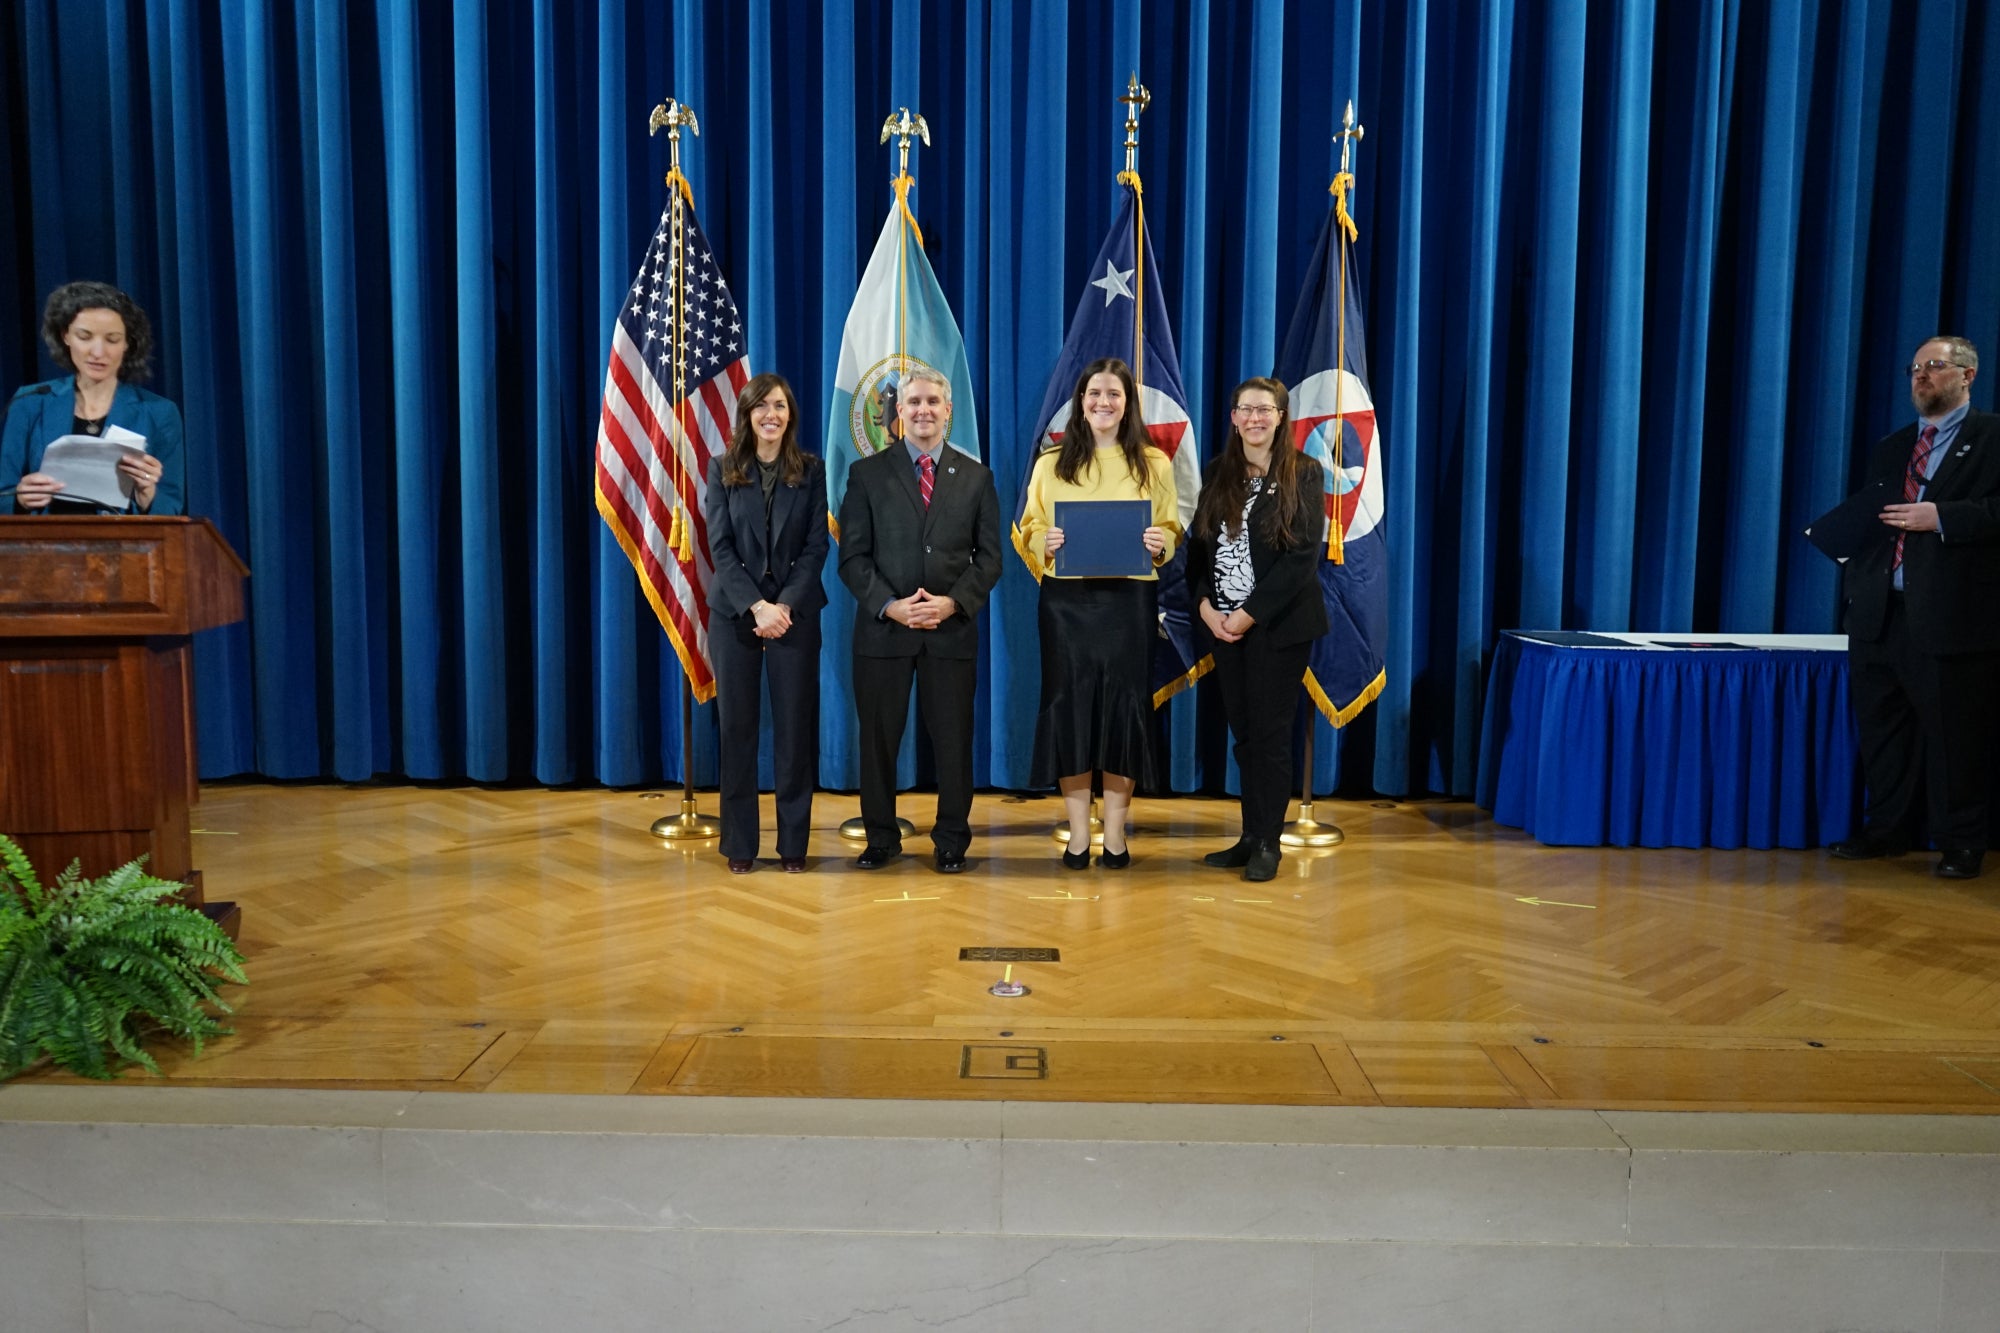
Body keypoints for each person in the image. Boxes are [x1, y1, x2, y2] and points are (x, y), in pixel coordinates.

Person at [1829, 336, 2000, 880]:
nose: (1921, 376)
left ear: (1967, 376)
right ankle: (1887, 831)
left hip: (1950, 615)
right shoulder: (1893, 444)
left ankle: (1961, 842)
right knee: (1884, 730)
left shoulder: (1993, 437)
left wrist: (1943, 517)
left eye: (1935, 366)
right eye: (1916, 368)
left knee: (1954, 737)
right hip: (1879, 611)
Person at [837, 365, 1003, 873]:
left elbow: (991, 559)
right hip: (885, 632)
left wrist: (952, 603)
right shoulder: (867, 474)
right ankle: (881, 838)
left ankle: (952, 839)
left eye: (933, 402)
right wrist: (891, 604)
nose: (924, 410)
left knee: (953, 743)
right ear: (898, 413)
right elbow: (852, 558)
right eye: (914, 403)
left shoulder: (976, 477)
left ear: (948, 411)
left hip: (950, 634)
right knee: (878, 743)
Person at [1016, 358, 1180, 868]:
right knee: (1070, 708)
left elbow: (1172, 529)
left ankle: (1115, 835)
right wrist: (1046, 539)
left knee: (1123, 711)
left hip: (1129, 604)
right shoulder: (1051, 463)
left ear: (1128, 403)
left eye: (1113, 394)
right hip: (1067, 605)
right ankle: (1078, 835)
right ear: (1080, 402)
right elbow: (1027, 527)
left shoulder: (1155, 464)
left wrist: (1161, 543)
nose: (1103, 402)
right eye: (1093, 394)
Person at [1185, 377, 1328, 882]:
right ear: (1233, 417)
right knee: (1244, 735)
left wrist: (1247, 615)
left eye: (1264, 410)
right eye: (1245, 409)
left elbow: (1301, 560)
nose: (1254, 419)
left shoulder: (1304, 474)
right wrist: (1205, 608)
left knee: (1269, 737)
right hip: (1222, 626)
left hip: (1276, 628)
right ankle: (1249, 835)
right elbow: (1199, 551)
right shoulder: (1217, 472)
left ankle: (1270, 841)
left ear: (1281, 417)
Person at [704, 373, 829, 874]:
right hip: (736, 615)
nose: (770, 415)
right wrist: (757, 607)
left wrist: (785, 608)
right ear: (747, 414)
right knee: (737, 730)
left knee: (795, 732)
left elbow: (817, 546)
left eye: (779, 405)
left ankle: (793, 845)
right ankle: (740, 844)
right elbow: (721, 547)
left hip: (794, 618)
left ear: (790, 413)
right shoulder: (722, 469)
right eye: (761, 407)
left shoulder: (812, 470)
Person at [1, 281, 183, 515]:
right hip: (44, 546)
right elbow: (3, 497)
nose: (98, 352)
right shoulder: (30, 402)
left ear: (127, 343)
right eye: (85, 336)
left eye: (112, 339)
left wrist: (147, 493)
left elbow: (172, 511)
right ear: (65, 336)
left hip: (125, 548)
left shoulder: (159, 412)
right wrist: (20, 500)